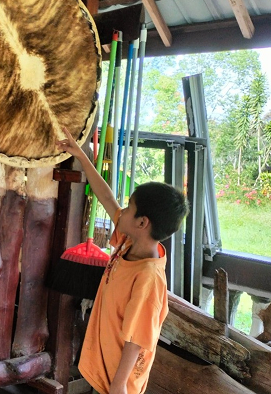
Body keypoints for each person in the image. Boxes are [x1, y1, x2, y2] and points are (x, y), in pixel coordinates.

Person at [56, 126, 189, 394]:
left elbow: (138, 340)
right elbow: (106, 197)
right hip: (103, 368)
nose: (122, 210)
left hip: (118, 381)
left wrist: (119, 386)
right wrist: (82, 157)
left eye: (129, 207)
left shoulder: (148, 278)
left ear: (142, 222)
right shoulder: (130, 242)